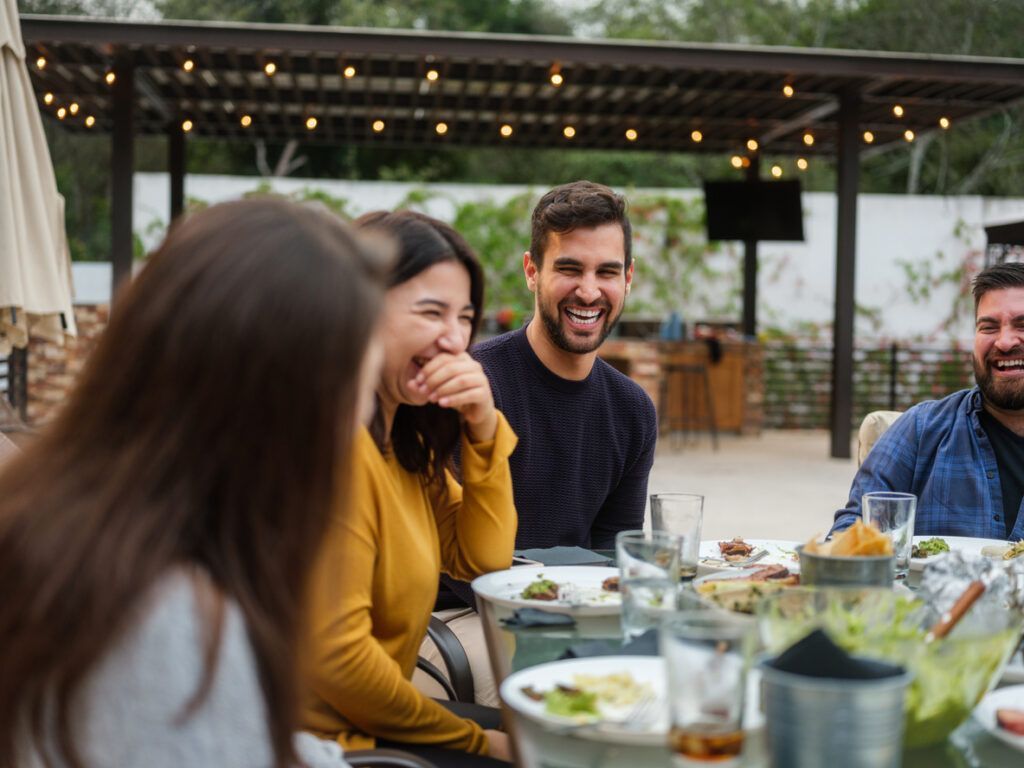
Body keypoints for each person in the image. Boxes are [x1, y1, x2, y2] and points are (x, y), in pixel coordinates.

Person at [0, 198, 389, 768]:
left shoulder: (67, 520)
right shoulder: (169, 625)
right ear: (288, 409)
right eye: (361, 385)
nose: (361, 420)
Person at [301, 210, 517, 765]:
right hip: (332, 747)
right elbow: (342, 660)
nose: (454, 338)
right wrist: (476, 740)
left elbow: (482, 558)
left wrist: (484, 427)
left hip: (378, 727)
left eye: (465, 317)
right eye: (431, 312)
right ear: (361, 311)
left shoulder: (404, 444)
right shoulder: (341, 446)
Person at [832, 261, 1024, 540]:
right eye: (989, 327)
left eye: (1022, 324)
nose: (1004, 342)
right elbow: (853, 528)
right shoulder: (921, 429)